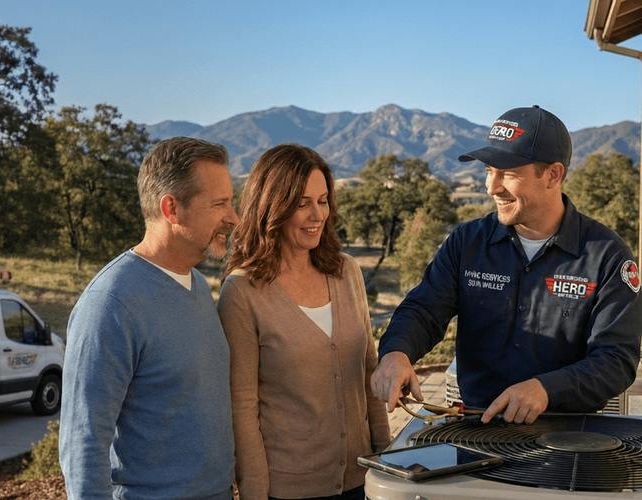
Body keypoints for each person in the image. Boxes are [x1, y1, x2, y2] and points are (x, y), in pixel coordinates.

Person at [372, 105, 642, 425]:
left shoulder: (608, 257)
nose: (492, 187)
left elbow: (616, 360)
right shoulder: (466, 242)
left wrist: (545, 389)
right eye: (489, 170)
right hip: (477, 431)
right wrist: (395, 352)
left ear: (553, 175)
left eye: (508, 173)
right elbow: (424, 310)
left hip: (569, 442)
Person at [59, 136, 239, 500]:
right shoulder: (110, 304)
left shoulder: (199, 286)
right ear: (171, 208)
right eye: (219, 203)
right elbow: (83, 444)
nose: (233, 217)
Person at [218, 144, 391, 500]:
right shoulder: (243, 292)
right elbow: (242, 407)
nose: (317, 215)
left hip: (364, 479)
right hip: (288, 489)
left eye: (323, 200)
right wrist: (255, 493)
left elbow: (367, 370)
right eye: (302, 204)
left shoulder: (347, 272)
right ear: (272, 207)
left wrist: (385, 459)